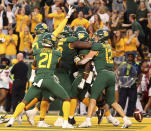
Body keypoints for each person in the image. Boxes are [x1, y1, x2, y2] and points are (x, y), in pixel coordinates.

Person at [6, 33, 74, 128]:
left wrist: (33, 75)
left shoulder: (37, 52)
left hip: (38, 80)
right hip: (49, 79)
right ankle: (66, 122)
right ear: (52, 43)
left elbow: (34, 64)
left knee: (25, 101)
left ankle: (13, 118)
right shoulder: (56, 53)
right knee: (66, 99)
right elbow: (58, 65)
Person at [76, 29, 132, 128]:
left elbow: (87, 58)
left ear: (101, 37)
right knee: (113, 102)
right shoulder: (108, 46)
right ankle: (126, 119)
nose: (95, 37)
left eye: (97, 36)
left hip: (103, 74)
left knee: (93, 97)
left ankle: (88, 120)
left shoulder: (98, 46)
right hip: (111, 75)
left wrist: (77, 62)